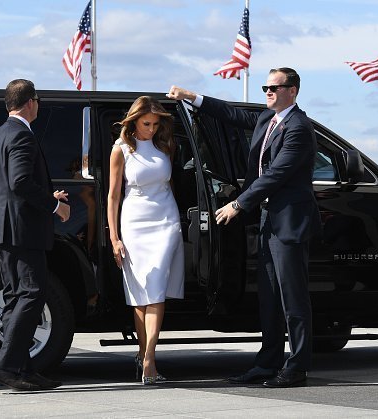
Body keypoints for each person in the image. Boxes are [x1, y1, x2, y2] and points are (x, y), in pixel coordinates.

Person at [168, 67, 322, 388]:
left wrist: (237, 205)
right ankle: (267, 363)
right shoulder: (269, 120)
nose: (267, 91)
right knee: (269, 297)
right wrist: (191, 97)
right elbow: (231, 113)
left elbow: (276, 174)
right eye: (265, 86)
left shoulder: (298, 127)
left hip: (290, 223)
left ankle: (298, 366)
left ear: (292, 91)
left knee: (292, 299)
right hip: (269, 221)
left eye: (274, 87)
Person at [0, 79, 71, 391]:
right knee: (31, 293)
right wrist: (54, 206)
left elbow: (11, 183)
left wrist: (48, 194)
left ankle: (23, 368)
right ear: (31, 102)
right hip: (22, 230)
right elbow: (19, 182)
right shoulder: (22, 135)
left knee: (15, 297)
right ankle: (5, 367)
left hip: (2, 228)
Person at [107, 96, 184, 385]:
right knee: (140, 296)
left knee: (156, 290)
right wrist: (114, 237)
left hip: (165, 220)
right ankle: (144, 354)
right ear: (134, 121)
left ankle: (149, 359)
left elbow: (171, 183)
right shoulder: (121, 149)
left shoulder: (166, 145)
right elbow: (113, 196)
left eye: (155, 124)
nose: (151, 129)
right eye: (146, 124)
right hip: (134, 222)